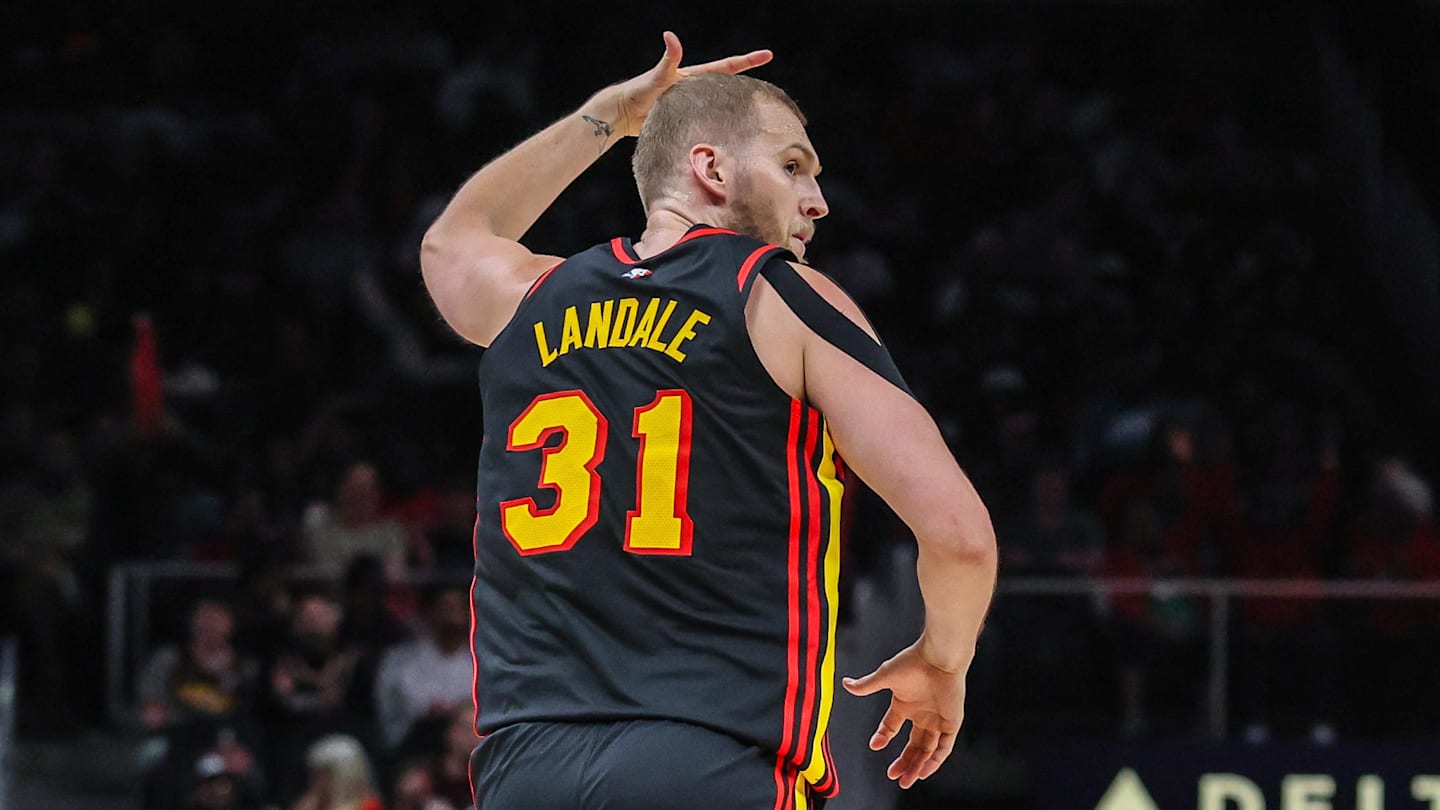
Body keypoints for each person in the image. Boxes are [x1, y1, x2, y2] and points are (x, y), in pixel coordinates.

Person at [421, 32, 997, 809]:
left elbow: (452, 240)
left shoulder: (532, 296)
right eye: (794, 166)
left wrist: (606, 116)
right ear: (711, 168)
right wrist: (943, 661)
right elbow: (961, 539)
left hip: (527, 768)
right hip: (713, 761)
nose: (818, 200)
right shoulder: (778, 294)